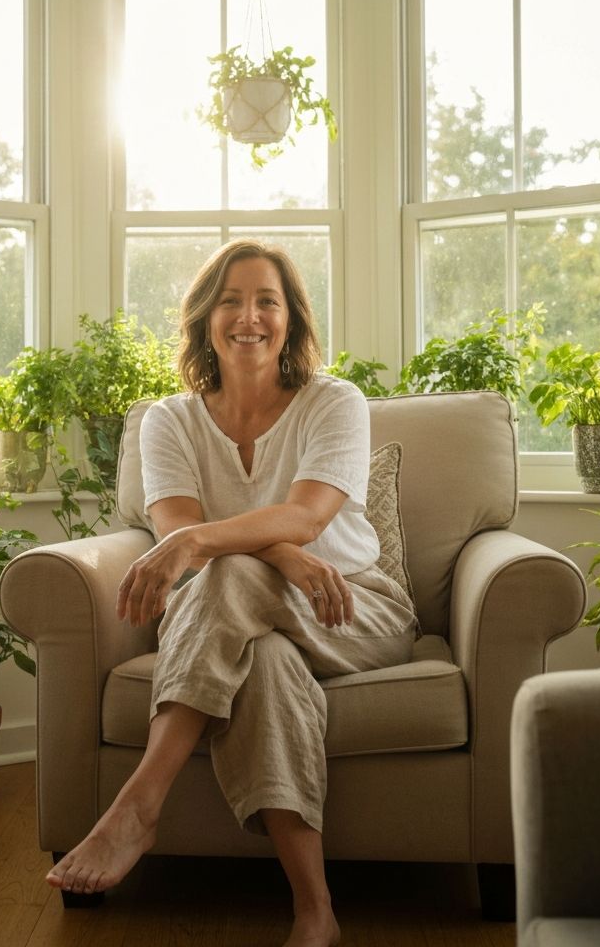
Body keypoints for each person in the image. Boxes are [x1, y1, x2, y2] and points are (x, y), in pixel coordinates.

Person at [46, 238, 418, 947]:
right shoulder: (168, 421)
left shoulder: (334, 402)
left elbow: (305, 516)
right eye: (231, 301)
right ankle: (316, 911)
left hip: (352, 608)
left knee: (221, 567)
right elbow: (180, 532)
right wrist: (274, 554)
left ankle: (138, 805)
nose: (250, 317)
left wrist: (206, 541)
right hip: (240, 618)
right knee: (267, 667)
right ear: (204, 321)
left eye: (267, 301)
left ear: (292, 320)